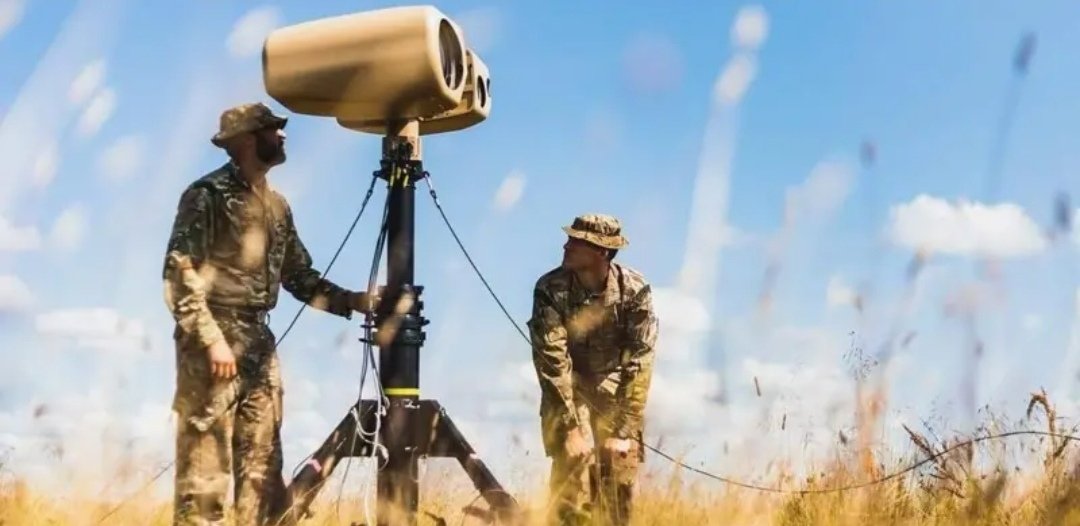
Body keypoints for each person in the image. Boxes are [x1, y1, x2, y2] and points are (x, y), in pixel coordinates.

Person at [162, 102, 379, 525]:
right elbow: (179, 273)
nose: (282, 135)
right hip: (212, 342)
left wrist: (353, 301)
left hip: (259, 345)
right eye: (272, 128)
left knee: (262, 476)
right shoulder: (206, 195)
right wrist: (211, 340)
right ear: (245, 139)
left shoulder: (277, 206)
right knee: (204, 478)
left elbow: (299, 276)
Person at [527, 214, 659, 526]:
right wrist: (570, 428)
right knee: (571, 486)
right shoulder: (550, 288)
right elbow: (552, 362)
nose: (566, 246)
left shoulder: (634, 289)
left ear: (601, 251)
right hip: (567, 394)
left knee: (618, 491)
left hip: (617, 397)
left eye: (576, 242)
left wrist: (624, 431)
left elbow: (640, 359)